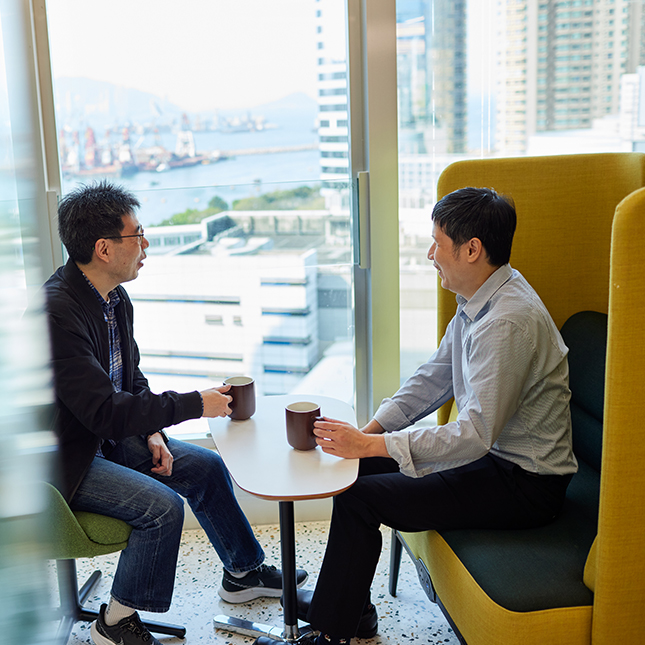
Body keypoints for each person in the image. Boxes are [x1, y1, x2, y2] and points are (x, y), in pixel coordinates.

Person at [283, 187, 578, 645]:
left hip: (525, 484)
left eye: (437, 243)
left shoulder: (506, 321)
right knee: (358, 473)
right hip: (496, 461)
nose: (430, 254)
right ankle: (349, 610)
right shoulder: (481, 299)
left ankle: (331, 631)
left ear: (472, 249)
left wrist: (373, 446)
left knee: (363, 497)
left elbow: (475, 434)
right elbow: (434, 378)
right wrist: (371, 434)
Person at [44, 180, 307, 645]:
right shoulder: (57, 313)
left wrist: (153, 433)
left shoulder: (114, 299)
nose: (145, 244)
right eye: (137, 235)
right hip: (67, 457)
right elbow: (104, 412)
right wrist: (193, 405)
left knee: (203, 466)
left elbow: (131, 381)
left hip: (104, 436)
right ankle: (114, 624)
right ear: (104, 248)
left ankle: (242, 573)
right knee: (161, 509)